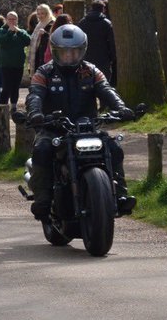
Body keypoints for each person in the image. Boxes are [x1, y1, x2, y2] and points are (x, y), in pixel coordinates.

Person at [25, 26, 136, 219]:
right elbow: (35, 95)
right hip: (55, 128)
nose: (69, 56)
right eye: (64, 52)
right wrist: (35, 113)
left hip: (88, 127)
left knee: (114, 148)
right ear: (55, 51)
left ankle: (120, 195)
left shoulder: (91, 71)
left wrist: (121, 108)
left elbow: (106, 89)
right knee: (42, 149)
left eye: (74, 51)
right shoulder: (44, 72)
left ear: (82, 50)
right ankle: (43, 199)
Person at [0, 9, 32, 107]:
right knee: (6, 87)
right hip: (6, 65)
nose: (12, 21)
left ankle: (14, 106)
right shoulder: (1, 31)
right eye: (10, 19)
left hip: (18, 64)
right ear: (6, 20)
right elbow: (2, 42)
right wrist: (10, 32)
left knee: (15, 87)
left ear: (17, 20)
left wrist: (18, 32)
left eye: (14, 19)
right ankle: (2, 106)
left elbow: (28, 40)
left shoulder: (21, 32)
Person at [77, 0, 117, 85]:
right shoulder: (107, 23)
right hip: (103, 57)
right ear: (103, 9)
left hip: (86, 56)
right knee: (103, 82)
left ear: (92, 8)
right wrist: (113, 57)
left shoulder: (82, 22)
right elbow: (112, 42)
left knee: (87, 82)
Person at [28, 4, 55, 74]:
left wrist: (45, 33)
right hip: (38, 57)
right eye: (38, 14)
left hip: (46, 59)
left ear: (47, 13)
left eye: (42, 13)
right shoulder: (39, 25)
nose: (40, 16)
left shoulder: (52, 23)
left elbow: (54, 38)